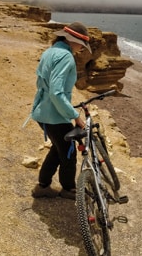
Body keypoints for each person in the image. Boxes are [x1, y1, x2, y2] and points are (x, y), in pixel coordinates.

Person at [29, 22, 91, 199]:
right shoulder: (65, 56)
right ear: (73, 40)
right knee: (69, 151)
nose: (82, 48)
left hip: (42, 110)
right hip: (54, 115)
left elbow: (44, 84)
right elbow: (56, 92)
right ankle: (68, 189)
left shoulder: (50, 51)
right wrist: (75, 116)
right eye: (82, 44)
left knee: (59, 149)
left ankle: (43, 186)